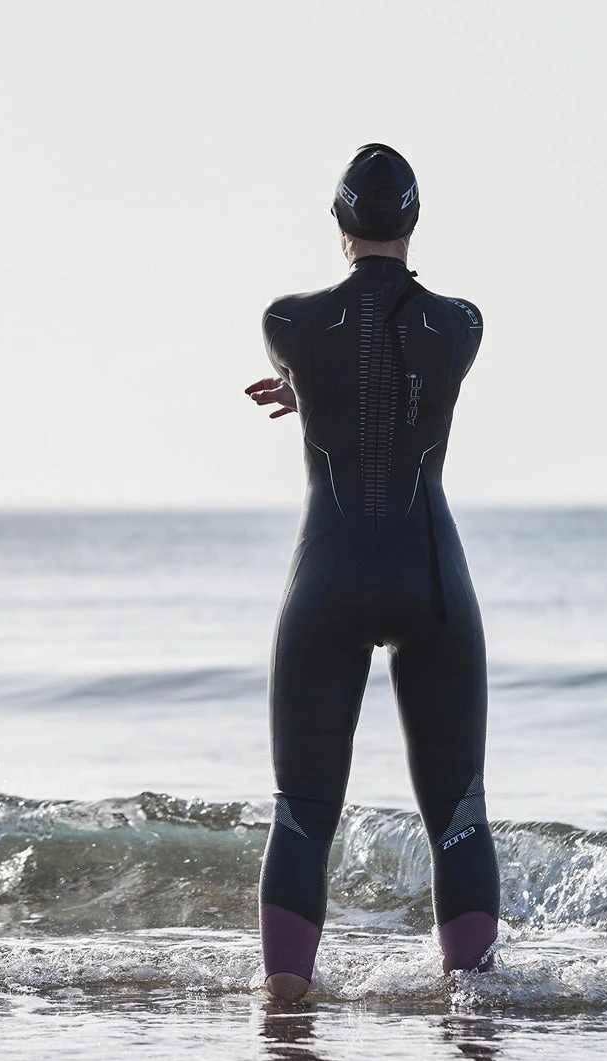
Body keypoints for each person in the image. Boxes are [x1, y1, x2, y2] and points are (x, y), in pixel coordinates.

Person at [245, 144, 500, 1001]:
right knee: (458, 810)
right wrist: (323, 394)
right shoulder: (463, 324)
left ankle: (285, 1005)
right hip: (431, 580)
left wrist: (308, 394)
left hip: (328, 579)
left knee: (303, 810)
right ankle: (474, 1006)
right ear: (415, 220)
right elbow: (405, 368)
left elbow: (336, 362)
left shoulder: (287, 323)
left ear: (338, 222)